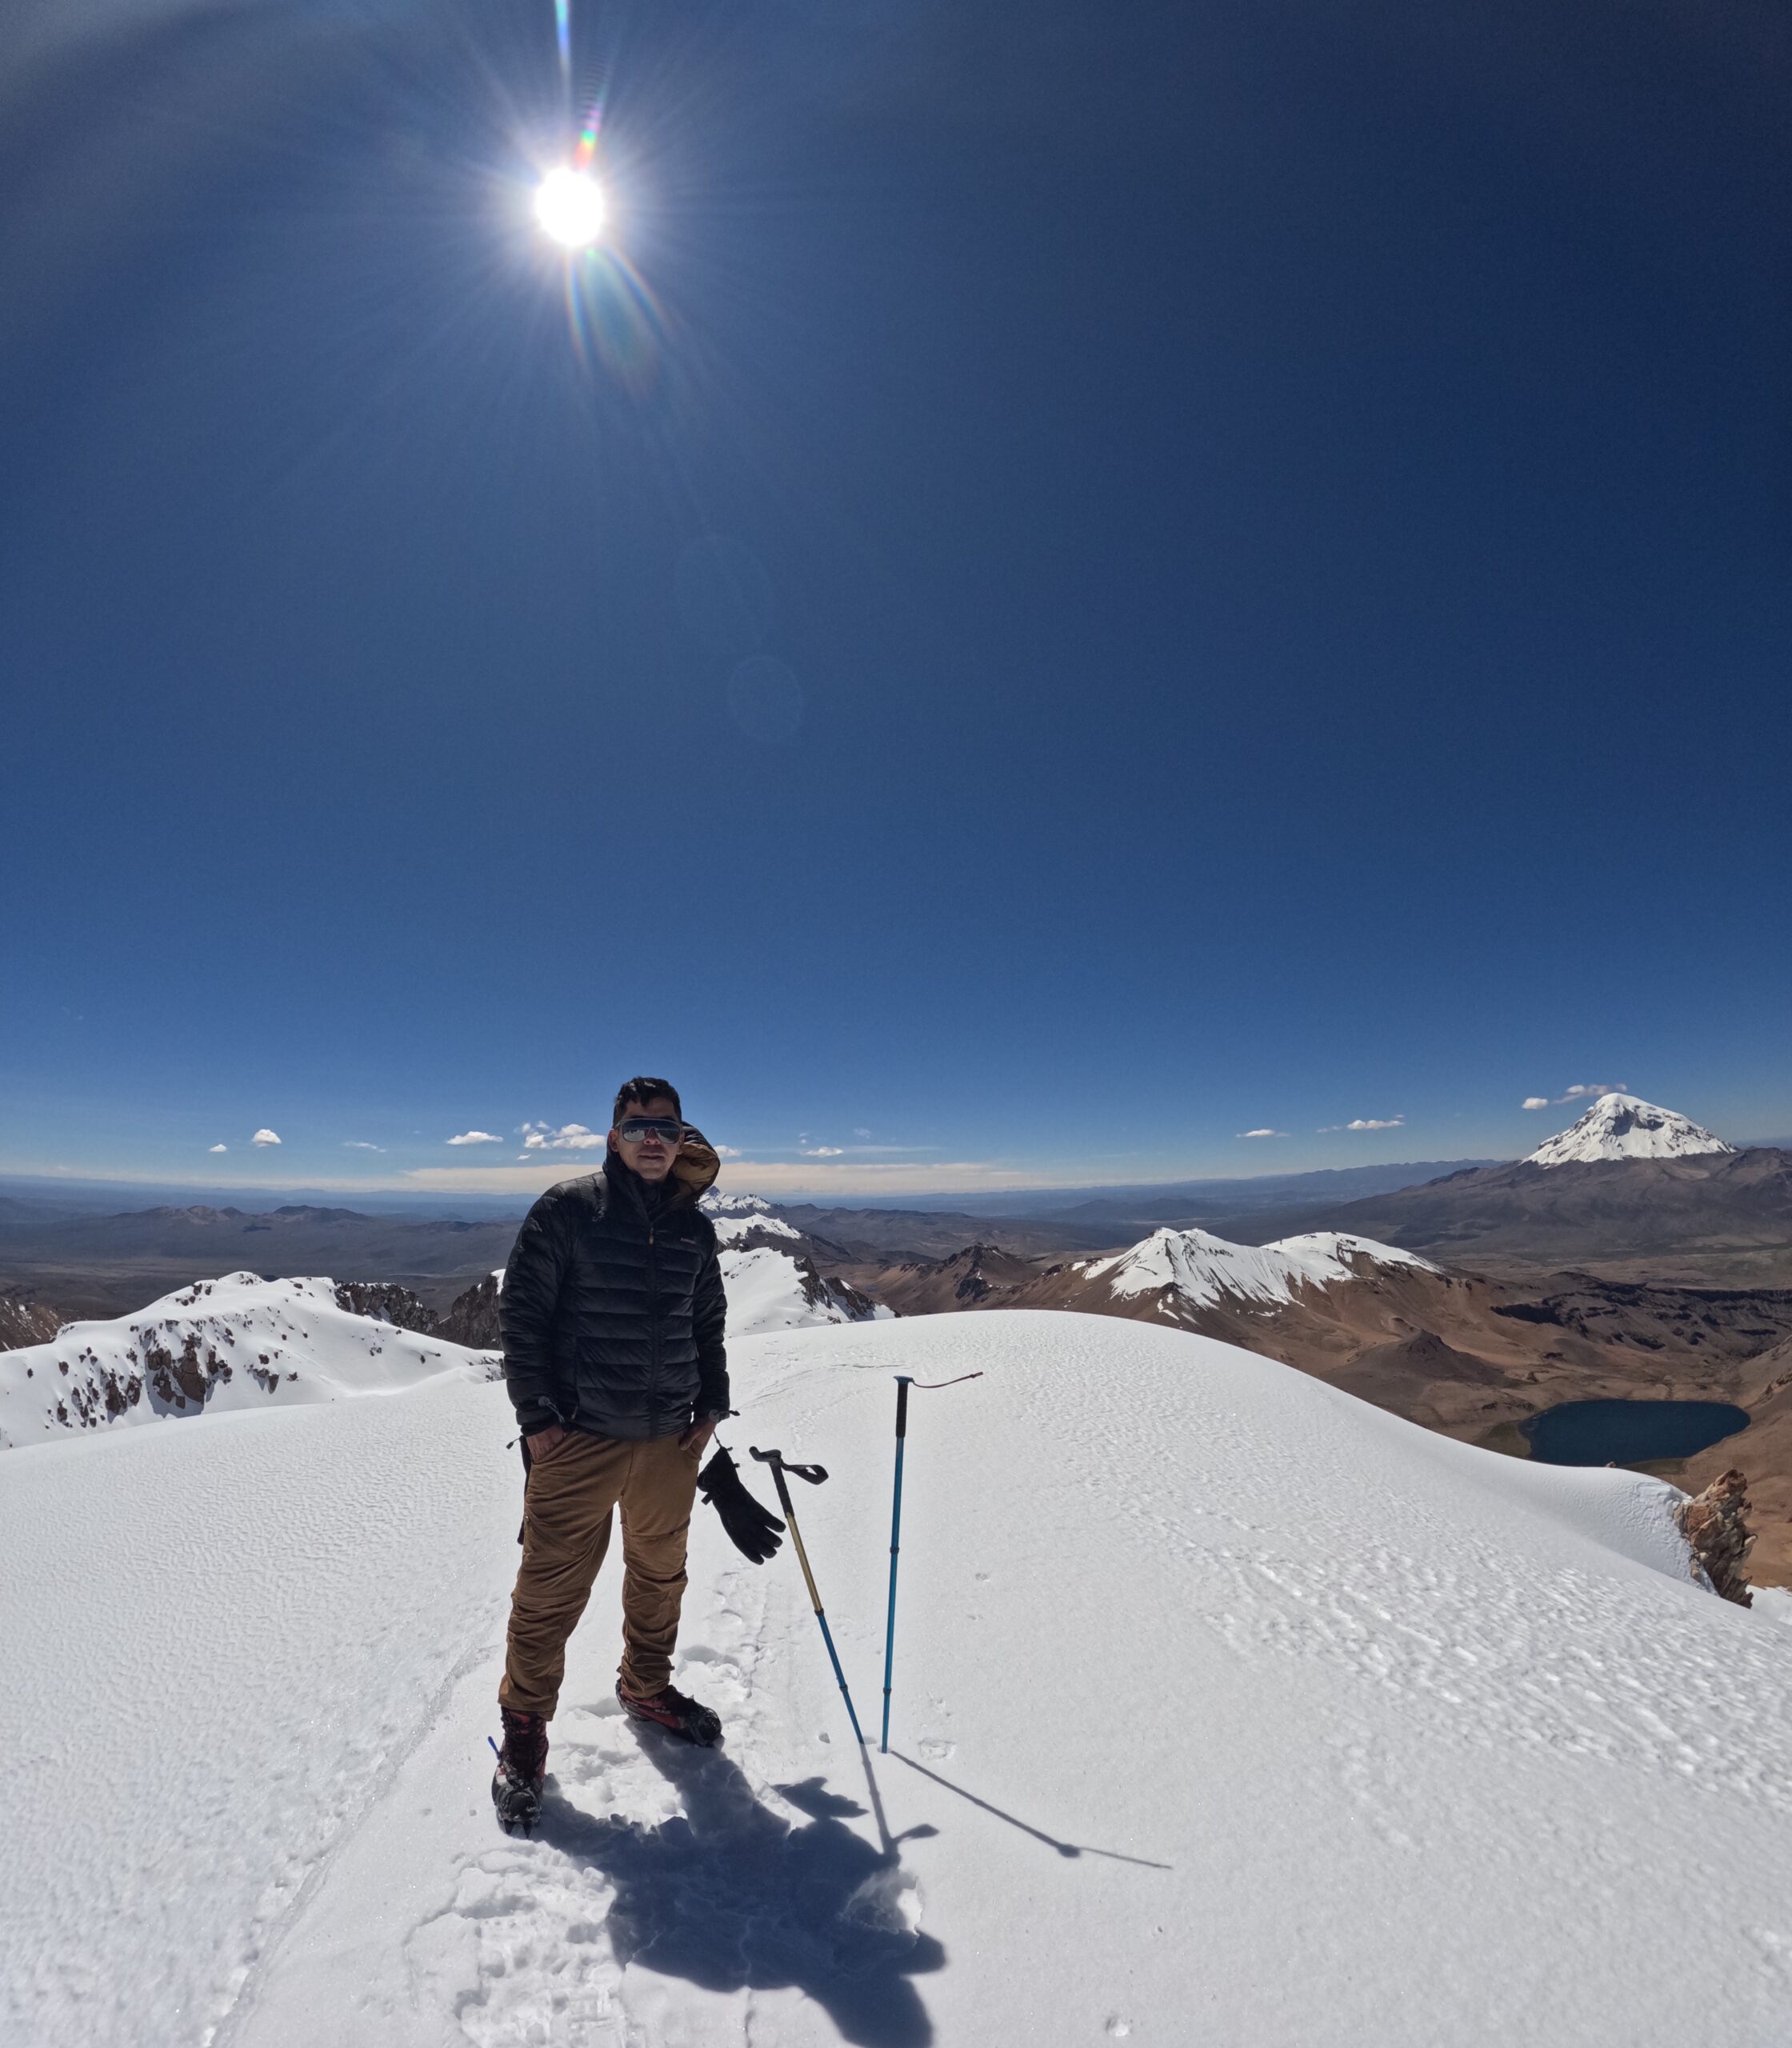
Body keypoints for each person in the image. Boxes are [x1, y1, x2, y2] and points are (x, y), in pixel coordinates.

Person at [490, 1076, 730, 1832]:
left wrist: (711, 1403)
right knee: (550, 1591)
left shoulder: (693, 1228)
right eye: (637, 1128)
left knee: (661, 1574)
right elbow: (521, 1313)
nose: (653, 1140)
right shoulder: (570, 1209)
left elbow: (708, 1320)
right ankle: (524, 1733)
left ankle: (645, 1685)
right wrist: (537, 1418)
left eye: (666, 1128)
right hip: (580, 1439)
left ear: (681, 1135)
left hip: (668, 1439)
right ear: (612, 1137)